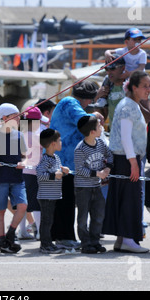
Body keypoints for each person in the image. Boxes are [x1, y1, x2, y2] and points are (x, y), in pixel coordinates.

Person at [49, 80, 103, 250]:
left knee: (66, 200)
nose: (89, 103)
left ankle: (64, 236)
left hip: (67, 162)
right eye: (90, 99)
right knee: (65, 200)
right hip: (63, 162)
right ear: (86, 98)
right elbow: (84, 121)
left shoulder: (68, 103)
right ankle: (63, 237)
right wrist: (95, 116)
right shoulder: (69, 103)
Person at [102, 71, 150, 253]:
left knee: (126, 198)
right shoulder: (128, 106)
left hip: (127, 158)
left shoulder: (131, 104)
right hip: (126, 158)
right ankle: (129, 239)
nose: (148, 89)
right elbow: (125, 137)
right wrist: (133, 163)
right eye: (144, 86)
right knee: (131, 199)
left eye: (149, 85)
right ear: (134, 87)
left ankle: (123, 239)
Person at [0, 103, 27, 253]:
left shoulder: (19, 135)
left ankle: (10, 234)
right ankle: (2, 242)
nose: (19, 119)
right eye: (15, 116)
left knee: (23, 206)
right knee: (0, 210)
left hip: (17, 177)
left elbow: (25, 156)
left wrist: (24, 163)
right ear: (4, 118)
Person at [74, 115, 113, 254]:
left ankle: (95, 241)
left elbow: (109, 155)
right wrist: (97, 173)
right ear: (92, 132)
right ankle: (85, 243)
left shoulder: (101, 144)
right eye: (98, 126)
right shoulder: (80, 149)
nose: (101, 128)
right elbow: (79, 169)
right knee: (83, 217)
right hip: (83, 188)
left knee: (98, 214)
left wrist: (108, 167)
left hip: (97, 187)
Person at [36, 128, 70, 253]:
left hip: (53, 195)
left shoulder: (56, 158)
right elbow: (40, 174)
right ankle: (45, 245)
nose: (61, 143)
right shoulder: (45, 159)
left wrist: (64, 172)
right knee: (46, 221)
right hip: (46, 196)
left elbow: (57, 174)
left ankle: (48, 242)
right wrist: (54, 175)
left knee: (49, 221)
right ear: (53, 144)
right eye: (59, 140)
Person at [21, 106, 43, 239]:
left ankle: (22, 230)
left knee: (23, 204)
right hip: (33, 172)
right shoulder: (35, 136)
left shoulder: (20, 134)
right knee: (36, 204)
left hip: (22, 172)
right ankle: (40, 232)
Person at [89, 57, 126, 128]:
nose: (109, 72)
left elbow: (147, 116)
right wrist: (97, 98)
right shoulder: (107, 84)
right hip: (114, 134)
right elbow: (102, 118)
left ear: (123, 68)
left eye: (112, 68)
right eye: (106, 69)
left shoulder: (132, 85)